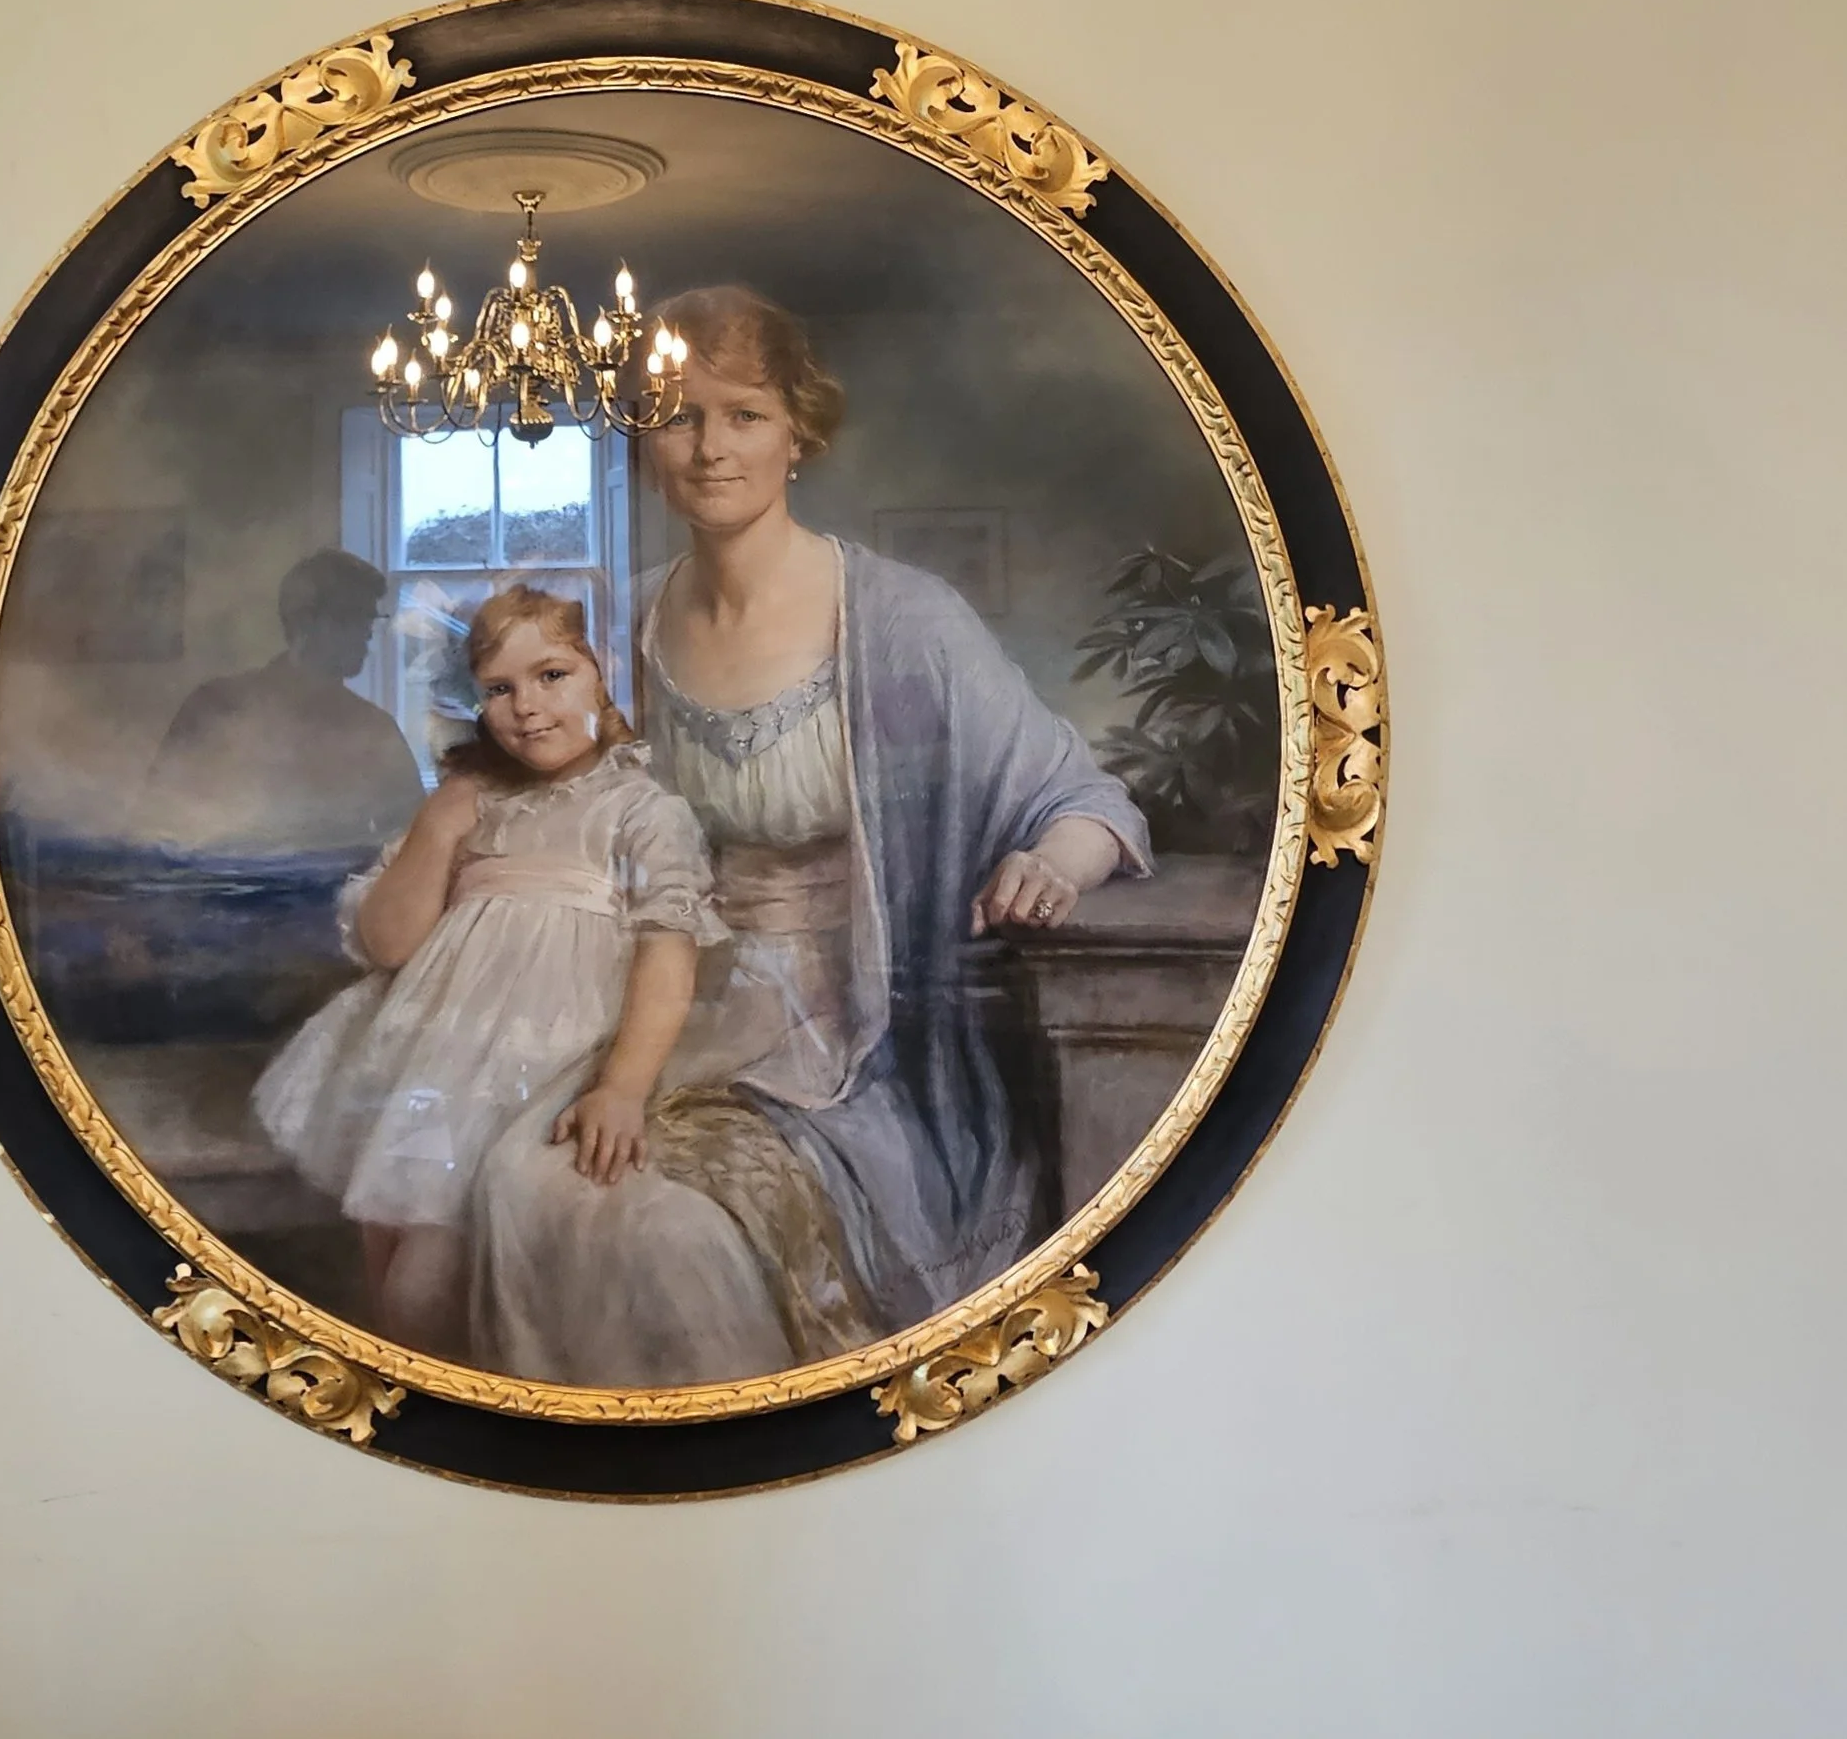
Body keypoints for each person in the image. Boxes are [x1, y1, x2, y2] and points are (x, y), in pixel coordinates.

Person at [472, 287, 1152, 1388]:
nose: (710, 448)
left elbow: (1085, 799)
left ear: (798, 432)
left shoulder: (902, 619)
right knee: (517, 1185)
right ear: (644, 439)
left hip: (850, 1040)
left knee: (666, 1231)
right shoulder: (619, 625)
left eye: (744, 414)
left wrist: (1049, 861)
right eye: (679, 416)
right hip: (652, 1012)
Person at [250, 586, 722, 1361]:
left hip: (546, 1058)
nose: (526, 707)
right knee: (388, 1261)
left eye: (552, 676)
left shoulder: (640, 811)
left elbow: (669, 952)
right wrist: (437, 831)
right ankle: (414, 1397)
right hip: (428, 1055)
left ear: (604, 673)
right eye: (499, 689)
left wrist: (622, 1088)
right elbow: (389, 942)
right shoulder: (473, 804)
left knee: (427, 1287)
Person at [139, 549, 422, 852]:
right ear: (305, 621)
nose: (367, 633)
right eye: (352, 617)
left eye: (370, 619)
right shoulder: (215, 708)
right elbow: (154, 822)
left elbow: (417, 839)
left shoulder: (374, 730)